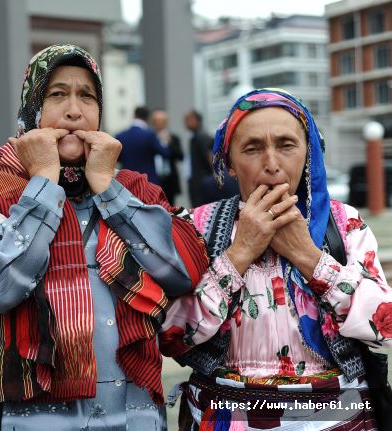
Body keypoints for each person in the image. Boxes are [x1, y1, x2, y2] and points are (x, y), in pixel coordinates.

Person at [0, 44, 208, 430]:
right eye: (58, 94)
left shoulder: (133, 188)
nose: (74, 110)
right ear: (32, 106)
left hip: (135, 414)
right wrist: (42, 181)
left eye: (87, 96)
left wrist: (108, 189)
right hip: (35, 419)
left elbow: (185, 269)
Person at [159, 89, 391, 430]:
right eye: (252, 148)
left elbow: (383, 329)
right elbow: (169, 335)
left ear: (307, 153)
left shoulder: (344, 224)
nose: (271, 163)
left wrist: (309, 257)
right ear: (230, 164)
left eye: (286, 145)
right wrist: (239, 253)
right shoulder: (198, 226)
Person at [116, 106, 170, 186]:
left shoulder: (120, 135)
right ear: (147, 118)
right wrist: (165, 142)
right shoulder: (150, 135)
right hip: (148, 182)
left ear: (134, 115)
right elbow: (165, 153)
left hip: (126, 182)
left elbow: (117, 158)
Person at [152, 109, 183, 204]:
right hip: (154, 179)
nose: (160, 124)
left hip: (170, 179)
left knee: (170, 207)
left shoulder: (173, 137)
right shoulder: (149, 137)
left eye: (162, 121)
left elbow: (181, 156)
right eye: (157, 121)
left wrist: (170, 143)